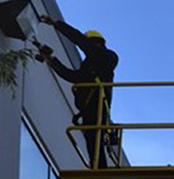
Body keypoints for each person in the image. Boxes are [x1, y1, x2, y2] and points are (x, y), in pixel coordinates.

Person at [34, 17, 118, 168]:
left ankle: (99, 171)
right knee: (93, 140)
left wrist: (56, 24)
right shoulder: (90, 65)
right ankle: (98, 170)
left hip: (97, 102)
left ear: (95, 42)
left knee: (94, 138)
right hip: (90, 105)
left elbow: (79, 39)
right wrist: (51, 60)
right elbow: (72, 76)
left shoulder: (106, 56)